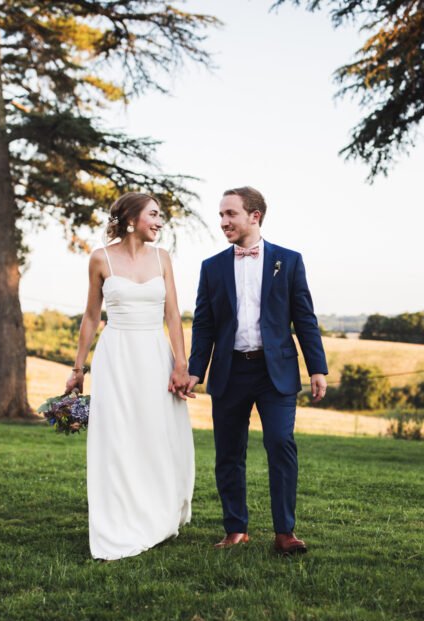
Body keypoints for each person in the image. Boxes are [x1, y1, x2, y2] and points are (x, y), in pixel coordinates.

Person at [185, 186, 328, 555]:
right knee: (228, 452)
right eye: (220, 215)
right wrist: (195, 371)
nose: (223, 222)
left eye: (230, 214)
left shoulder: (289, 260)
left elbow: (305, 319)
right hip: (230, 372)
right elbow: (203, 325)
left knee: (281, 444)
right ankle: (236, 529)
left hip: (274, 372)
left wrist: (317, 368)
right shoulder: (212, 267)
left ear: (255, 216)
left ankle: (285, 532)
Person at [66, 192, 195, 561]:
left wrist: (181, 365)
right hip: (116, 355)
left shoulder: (163, 258)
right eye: (153, 214)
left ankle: (158, 509)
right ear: (131, 218)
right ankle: (120, 516)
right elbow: (91, 316)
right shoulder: (100, 258)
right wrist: (79, 369)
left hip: (155, 353)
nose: (159, 221)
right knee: (119, 434)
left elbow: (173, 315)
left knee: (156, 432)